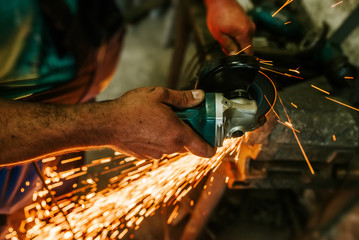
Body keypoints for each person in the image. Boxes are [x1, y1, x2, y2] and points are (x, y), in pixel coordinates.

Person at [0, 0, 255, 229]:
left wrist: (219, 1)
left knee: (61, 175)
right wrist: (107, 125)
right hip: (18, 113)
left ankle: (50, 213)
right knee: (11, 200)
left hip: (78, 51)